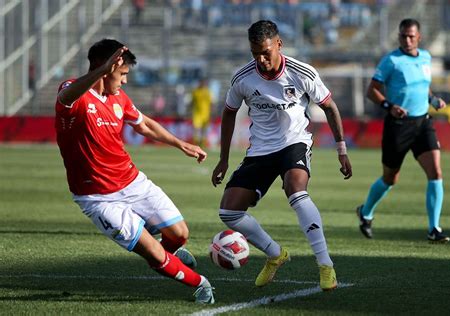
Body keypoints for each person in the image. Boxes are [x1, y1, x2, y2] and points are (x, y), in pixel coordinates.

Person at [54, 39, 215, 304]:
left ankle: (166, 259)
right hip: (99, 198)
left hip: (133, 182)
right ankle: (201, 285)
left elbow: (145, 125)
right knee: (153, 252)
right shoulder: (74, 92)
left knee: (180, 234)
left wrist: (180, 143)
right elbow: (66, 98)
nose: (125, 81)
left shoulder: (118, 97)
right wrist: (102, 70)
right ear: (104, 69)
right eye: (122, 73)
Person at [211, 20, 352, 290]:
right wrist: (224, 158)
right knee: (228, 211)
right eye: (255, 54)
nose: (261, 59)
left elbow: (330, 107)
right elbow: (229, 112)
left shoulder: (302, 73)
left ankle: (325, 265)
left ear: (279, 44)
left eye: (265, 52)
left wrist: (341, 150)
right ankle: (275, 254)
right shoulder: (242, 78)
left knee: (296, 191)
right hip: (261, 150)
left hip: (294, 143)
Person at [357, 18, 450, 243]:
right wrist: (390, 106)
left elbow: (423, 85)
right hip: (398, 126)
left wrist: (433, 99)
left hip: (423, 123)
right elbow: (372, 91)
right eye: (403, 36)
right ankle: (366, 212)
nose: (407, 40)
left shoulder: (426, 57)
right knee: (390, 179)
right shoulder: (391, 61)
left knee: (436, 172)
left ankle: (433, 228)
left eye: (411, 36)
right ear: (399, 37)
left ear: (419, 37)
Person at [191, 79, 212, 147]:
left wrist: (212, 112)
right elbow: (192, 102)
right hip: (197, 113)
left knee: (204, 130)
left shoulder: (208, 92)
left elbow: (211, 102)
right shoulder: (195, 91)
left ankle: (202, 143)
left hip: (206, 114)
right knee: (196, 128)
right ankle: (196, 142)